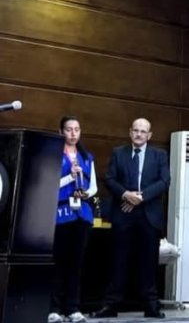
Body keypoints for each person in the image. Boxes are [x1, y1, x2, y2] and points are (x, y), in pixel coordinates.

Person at [91, 118, 171, 319]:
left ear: (149, 135)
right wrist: (126, 194)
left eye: (143, 131)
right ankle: (111, 305)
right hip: (123, 213)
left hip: (149, 215)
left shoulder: (159, 155)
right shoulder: (119, 153)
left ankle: (151, 306)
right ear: (130, 132)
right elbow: (109, 179)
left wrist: (140, 197)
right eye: (135, 130)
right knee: (118, 261)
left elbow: (164, 181)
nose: (139, 134)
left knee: (148, 262)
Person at [49, 116, 98, 323]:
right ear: (61, 131)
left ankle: (73, 308)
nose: (73, 133)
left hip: (81, 214)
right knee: (59, 262)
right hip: (61, 214)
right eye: (69, 129)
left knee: (76, 264)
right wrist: (70, 176)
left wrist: (85, 193)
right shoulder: (53, 154)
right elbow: (49, 184)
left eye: (77, 129)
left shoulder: (86, 156)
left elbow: (93, 187)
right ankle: (54, 308)